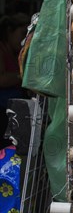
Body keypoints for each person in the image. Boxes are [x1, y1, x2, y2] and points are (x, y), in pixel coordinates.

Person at [0, 13, 30, 149]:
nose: (24, 39)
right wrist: (22, 76)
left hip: (13, 110)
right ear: (9, 31)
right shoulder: (1, 50)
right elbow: (2, 79)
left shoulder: (15, 53)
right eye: (22, 33)